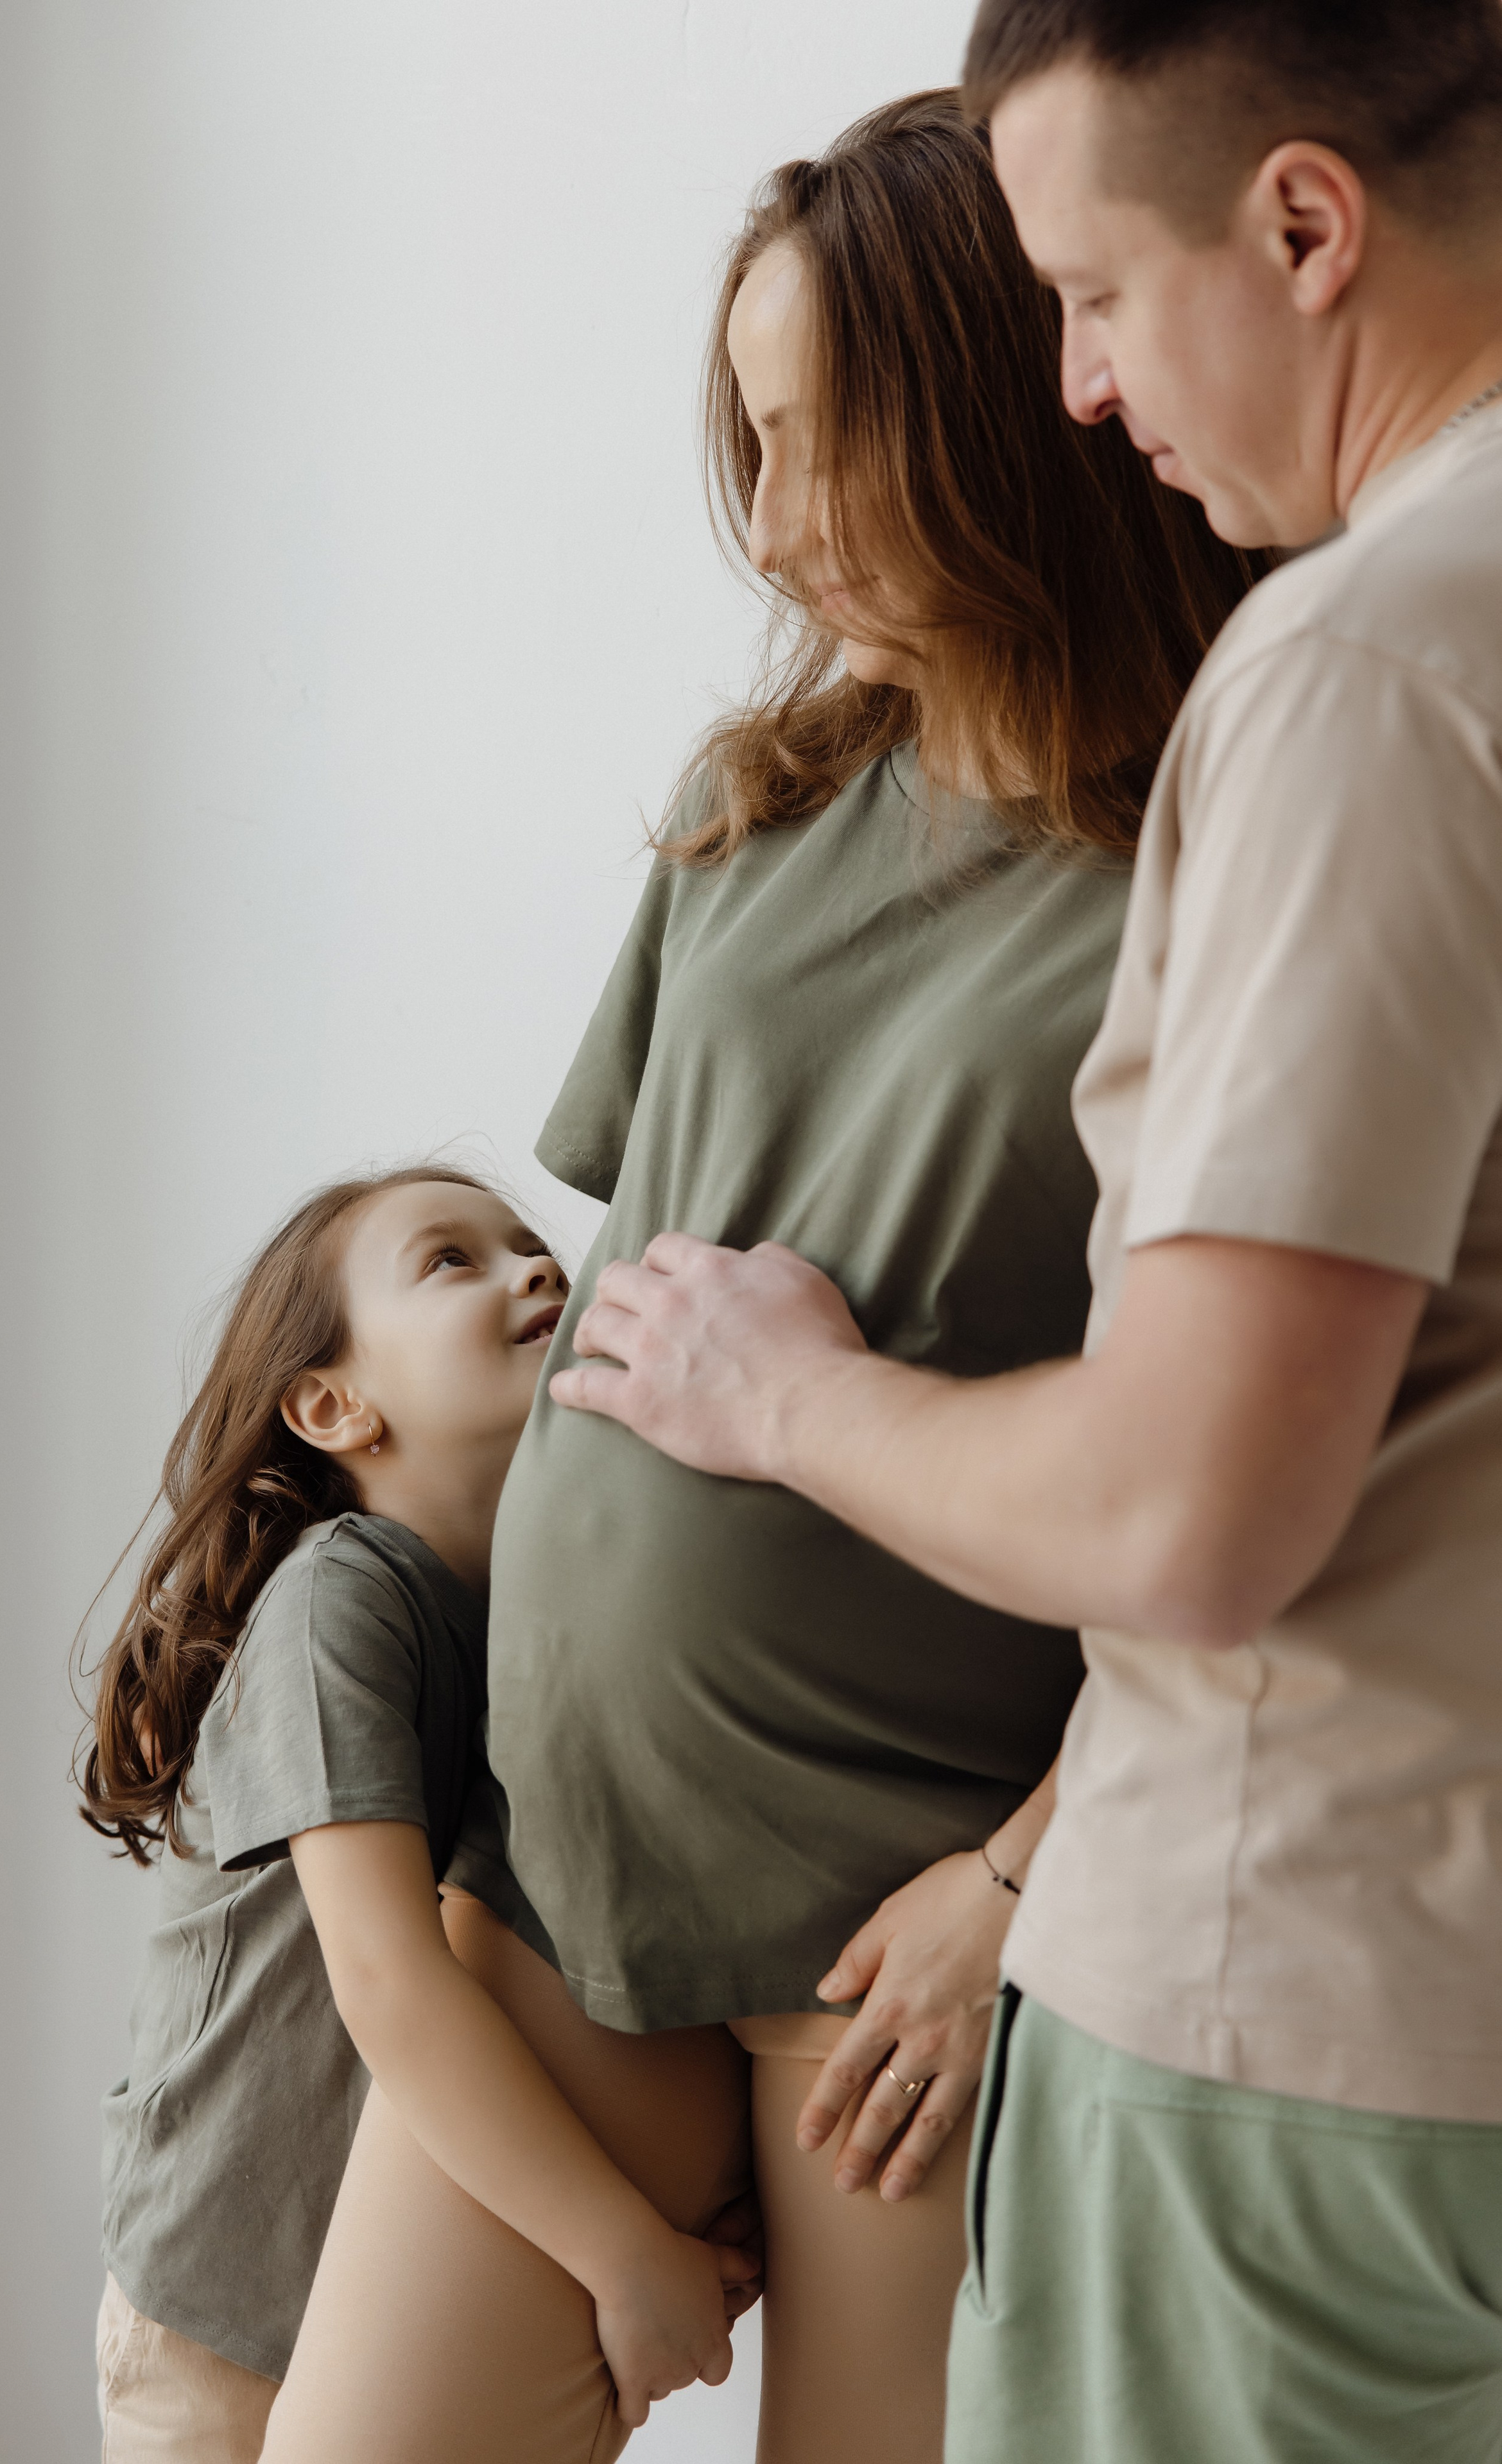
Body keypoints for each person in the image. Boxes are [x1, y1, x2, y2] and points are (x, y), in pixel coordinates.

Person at [549, 7, 1502, 2460]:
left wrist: (792, 1407)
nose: (1086, 383)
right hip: (586, 1886)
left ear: (1304, 227)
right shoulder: (762, 815)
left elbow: (1197, 1501)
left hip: (1210, 1987)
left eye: (1088, 289)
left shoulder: (1357, 678)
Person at [272, 92, 1256, 2464]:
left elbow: (1265, 1482)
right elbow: (611, 1319)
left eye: (830, 442)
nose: (781, 521)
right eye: (756, 445)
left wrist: (1012, 1888)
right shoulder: (761, 805)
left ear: (1010, 406)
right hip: (565, 1882)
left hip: (889, 1966)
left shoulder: (1223, 858)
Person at [82, 1165, 757, 2463]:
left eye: (532, 1248)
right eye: (453, 1261)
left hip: (366, 2297)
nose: (537, 1272)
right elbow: (388, 1981)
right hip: (216, 2323)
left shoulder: (521, 1613)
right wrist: (619, 2253)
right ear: (333, 1405)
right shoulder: (339, 1601)